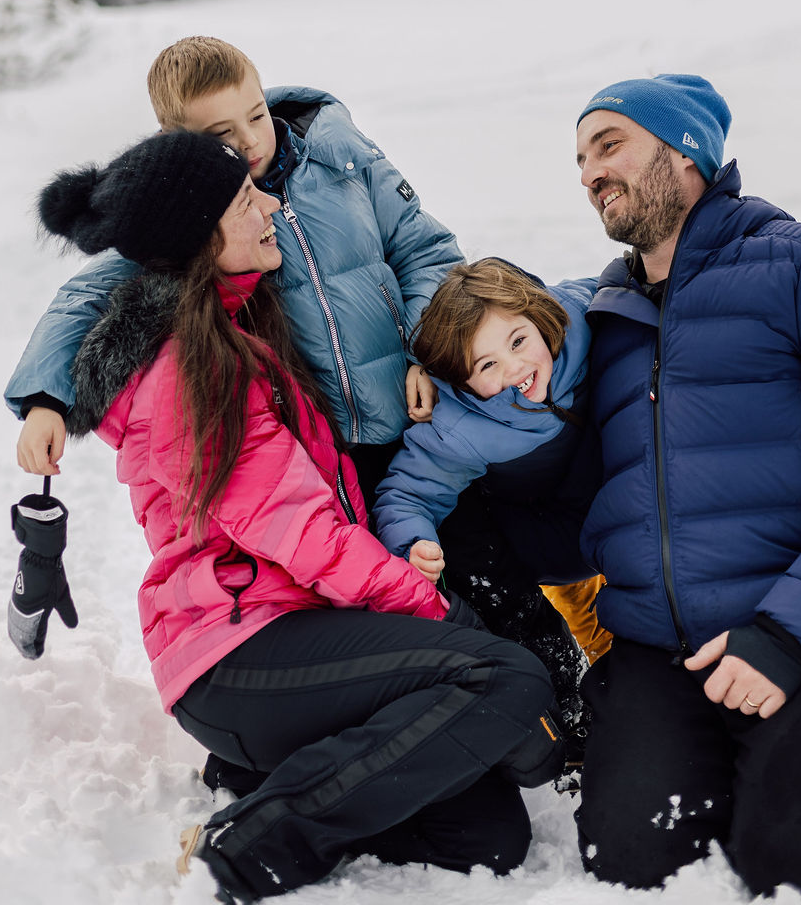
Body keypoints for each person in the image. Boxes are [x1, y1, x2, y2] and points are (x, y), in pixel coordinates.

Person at [34, 128, 562, 901]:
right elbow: (299, 530)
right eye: (247, 201)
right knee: (504, 676)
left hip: (290, 635)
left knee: (487, 837)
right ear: (201, 239)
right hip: (236, 647)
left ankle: (257, 777)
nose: (272, 206)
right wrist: (436, 611)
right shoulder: (192, 369)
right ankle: (248, 846)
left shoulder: (239, 328)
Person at [564, 73, 801, 903]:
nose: (589, 173)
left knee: (800, 868)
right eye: (580, 159)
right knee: (632, 867)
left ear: (686, 152)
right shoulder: (603, 321)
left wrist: (788, 636)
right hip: (663, 652)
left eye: (609, 145)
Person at [9, 36, 463, 502]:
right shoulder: (186, 210)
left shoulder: (341, 158)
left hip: (417, 411)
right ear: (178, 139)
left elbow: (426, 252)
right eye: (221, 133)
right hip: (317, 454)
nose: (248, 140)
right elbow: (85, 296)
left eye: (256, 116)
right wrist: (45, 401)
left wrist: (427, 354)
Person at [374, 258, 612, 706]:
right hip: (546, 534)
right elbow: (407, 493)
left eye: (518, 341)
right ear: (461, 381)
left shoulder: (584, 319)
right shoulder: (460, 427)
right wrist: (413, 543)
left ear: (537, 315)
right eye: (487, 365)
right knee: (581, 605)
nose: (514, 368)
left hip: (615, 501)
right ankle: (590, 667)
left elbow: (630, 284)